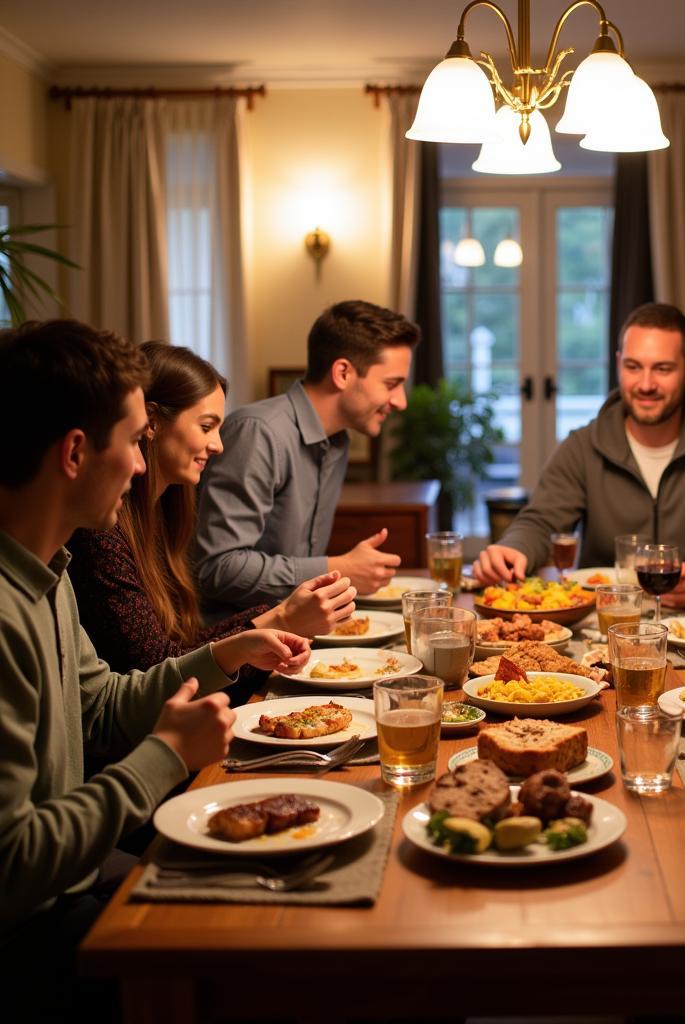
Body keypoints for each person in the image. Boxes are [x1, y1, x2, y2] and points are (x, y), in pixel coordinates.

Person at [0, 320, 310, 1010]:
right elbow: (14, 866)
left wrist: (227, 652)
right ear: (76, 453)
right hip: (28, 935)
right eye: (135, 443)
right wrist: (167, 756)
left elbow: (105, 705)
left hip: (71, 883)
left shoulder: (48, 571)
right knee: (270, 958)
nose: (142, 468)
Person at [67, 342, 357, 681]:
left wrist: (276, 621)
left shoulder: (163, 514)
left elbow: (183, 646)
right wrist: (280, 621)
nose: (218, 445)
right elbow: (159, 672)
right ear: (151, 422)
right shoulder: (102, 531)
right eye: (206, 427)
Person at [473, 302, 685, 608]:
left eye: (663, 368)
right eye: (633, 367)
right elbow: (541, 521)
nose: (645, 384)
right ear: (618, 364)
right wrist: (513, 549)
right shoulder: (582, 446)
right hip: (605, 625)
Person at [194, 300, 420, 615]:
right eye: (392, 384)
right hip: (228, 643)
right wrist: (336, 567)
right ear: (343, 373)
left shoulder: (337, 441)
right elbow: (216, 568)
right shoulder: (259, 433)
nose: (401, 401)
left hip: (292, 634)